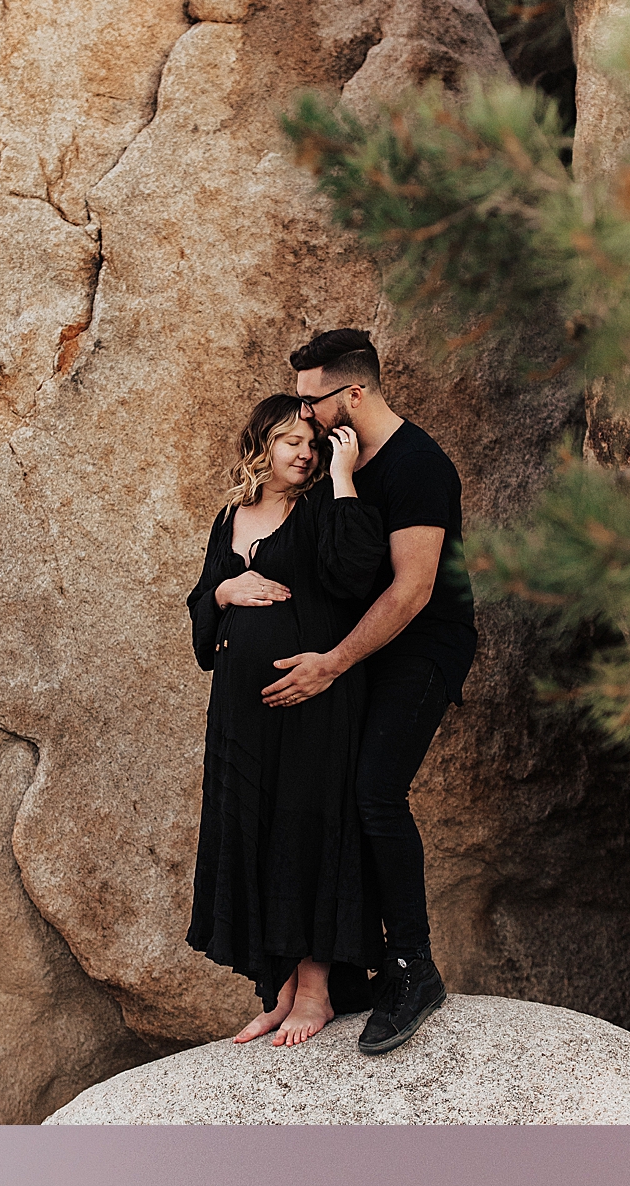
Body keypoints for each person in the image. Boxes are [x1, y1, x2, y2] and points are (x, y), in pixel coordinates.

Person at [262, 327, 478, 1057]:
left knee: (376, 794)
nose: (305, 416)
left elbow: (414, 592)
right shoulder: (338, 462)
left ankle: (416, 971)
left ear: (353, 393)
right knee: (331, 790)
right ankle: (355, 965)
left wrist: (330, 664)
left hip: (421, 649)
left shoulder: (419, 465)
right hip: (361, 653)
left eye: (312, 401)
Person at [185, 395, 389, 1044]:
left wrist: (344, 473)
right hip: (241, 715)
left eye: (311, 441)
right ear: (261, 446)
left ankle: (317, 991)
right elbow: (201, 607)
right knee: (258, 832)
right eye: (288, 441)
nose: (303, 452)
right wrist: (225, 590)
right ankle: (277, 989)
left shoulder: (323, 506)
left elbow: (359, 572)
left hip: (311, 706)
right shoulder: (230, 518)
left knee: (306, 831)